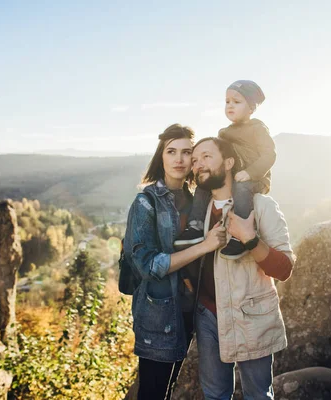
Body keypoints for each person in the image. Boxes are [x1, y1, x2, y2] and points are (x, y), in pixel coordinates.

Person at [123, 124, 227, 400]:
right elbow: (146, 265)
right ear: (162, 157)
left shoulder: (197, 201)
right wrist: (204, 246)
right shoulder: (146, 203)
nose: (179, 159)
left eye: (186, 153)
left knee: (167, 391)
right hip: (157, 313)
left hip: (188, 312)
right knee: (153, 393)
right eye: (171, 152)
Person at [190, 137, 295, 400]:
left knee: (258, 395)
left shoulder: (261, 206)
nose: (197, 164)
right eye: (194, 160)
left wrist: (250, 240)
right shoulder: (195, 213)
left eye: (206, 157)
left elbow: (284, 269)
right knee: (214, 396)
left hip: (251, 316)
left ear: (229, 163)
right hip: (208, 316)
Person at [175, 80, 276, 260]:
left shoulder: (257, 129)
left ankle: (240, 235)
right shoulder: (224, 133)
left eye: (237, 102)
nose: (230, 105)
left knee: (241, 188)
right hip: (233, 175)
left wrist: (251, 173)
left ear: (251, 108)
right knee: (202, 188)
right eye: (227, 101)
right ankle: (196, 227)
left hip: (255, 178)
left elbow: (269, 155)